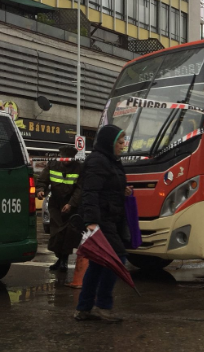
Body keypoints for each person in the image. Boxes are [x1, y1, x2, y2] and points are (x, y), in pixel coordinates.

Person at [75, 125, 133, 323]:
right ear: (110, 143)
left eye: (123, 141)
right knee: (118, 259)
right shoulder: (98, 161)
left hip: (110, 218)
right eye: (120, 142)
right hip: (101, 220)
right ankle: (102, 306)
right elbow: (90, 192)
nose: (123, 145)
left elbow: (108, 186)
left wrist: (122, 191)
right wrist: (91, 221)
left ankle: (84, 308)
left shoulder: (112, 161)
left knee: (99, 265)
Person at [36, 145, 83, 272]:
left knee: (68, 234)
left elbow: (80, 188)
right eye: (64, 157)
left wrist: (71, 204)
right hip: (56, 204)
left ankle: (64, 261)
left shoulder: (79, 167)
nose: (66, 160)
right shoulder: (52, 165)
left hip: (71, 206)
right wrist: (40, 190)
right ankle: (59, 258)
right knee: (57, 233)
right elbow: (42, 180)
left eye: (69, 158)